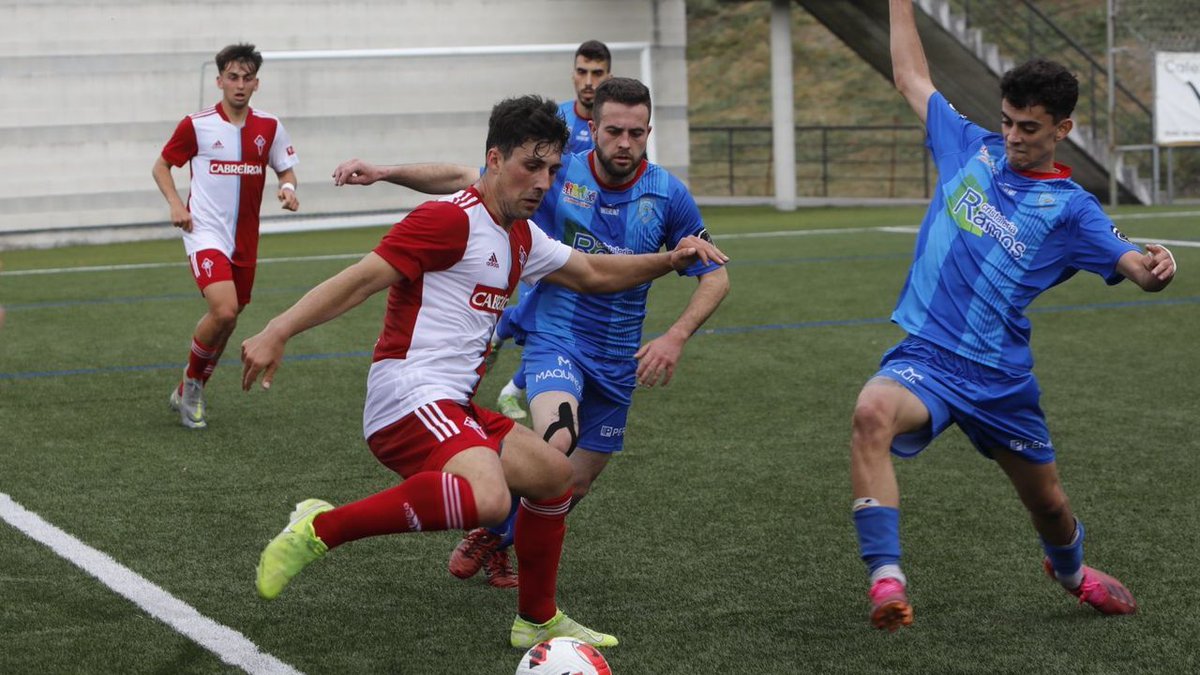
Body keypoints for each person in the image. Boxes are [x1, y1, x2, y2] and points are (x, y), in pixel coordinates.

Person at [242, 94, 727, 648]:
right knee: (492, 499)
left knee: (553, 476)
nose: (543, 182)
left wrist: (671, 260)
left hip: (454, 405)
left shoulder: (521, 235)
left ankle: (537, 619)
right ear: (494, 160)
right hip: (406, 394)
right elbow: (359, 279)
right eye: (530, 166)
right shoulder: (449, 219)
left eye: (551, 169)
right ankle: (318, 528)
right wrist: (278, 330)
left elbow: (592, 271)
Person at [851, 1, 1177, 632]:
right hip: (927, 358)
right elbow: (911, 78)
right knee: (870, 414)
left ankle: (1072, 572)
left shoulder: (1071, 208)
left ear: (1064, 129)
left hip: (1000, 380)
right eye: (1008, 122)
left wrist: (1156, 266)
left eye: (1029, 126)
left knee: (1050, 506)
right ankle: (886, 580)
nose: (1013, 136)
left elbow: (1131, 263)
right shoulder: (969, 147)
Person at [152, 43, 300, 430]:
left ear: (256, 84)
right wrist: (175, 205)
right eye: (232, 77)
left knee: (229, 320)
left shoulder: (269, 127)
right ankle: (193, 386)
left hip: (246, 241)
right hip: (204, 233)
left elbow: (286, 170)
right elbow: (162, 166)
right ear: (219, 81)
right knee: (224, 310)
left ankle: (188, 388)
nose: (239, 84)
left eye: (246, 78)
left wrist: (289, 189)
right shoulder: (196, 124)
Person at [490, 39, 616, 421]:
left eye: (597, 73)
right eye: (582, 71)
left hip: (585, 245)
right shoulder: (555, 121)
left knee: (563, 323)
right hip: (542, 244)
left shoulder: (615, 129)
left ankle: (510, 372)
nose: (589, 80)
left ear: (608, 75)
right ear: (573, 74)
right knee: (548, 319)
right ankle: (509, 367)